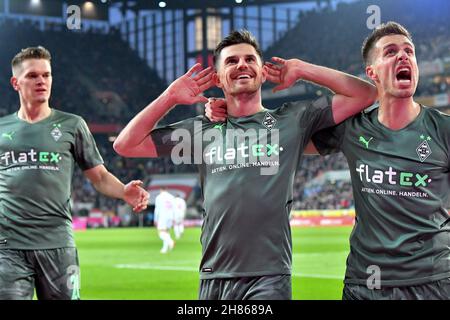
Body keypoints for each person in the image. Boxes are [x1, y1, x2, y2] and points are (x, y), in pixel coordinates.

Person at [113, 30, 377, 300]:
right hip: (213, 274)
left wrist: (301, 68)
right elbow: (126, 145)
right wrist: (169, 97)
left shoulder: (293, 120)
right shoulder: (200, 131)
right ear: (216, 79)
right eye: (231, 61)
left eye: (250, 59)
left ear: (263, 73)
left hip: (269, 277)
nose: (242, 65)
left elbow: (366, 94)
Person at [310, 22, 450, 299]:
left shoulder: (444, 130)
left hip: (434, 283)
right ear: (371, 73)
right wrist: (302, 69)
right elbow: (284, 138)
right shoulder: (352, 129)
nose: (403, 56)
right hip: (364, 285)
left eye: (409, 51)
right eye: (390, 52)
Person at [0, 46, 149, 300]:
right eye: (33, 76)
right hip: (8, 247)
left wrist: (124, 191)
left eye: (46, 75)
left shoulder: (72, 125)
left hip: (58, 244)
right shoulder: (2, 128)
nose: (41, 81)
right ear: (16, 82)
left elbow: (99, 177)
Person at [154, 187, 176, 253]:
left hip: (163, 216)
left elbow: (157, 209)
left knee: (161, 233)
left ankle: (171, 242)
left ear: (161, 190)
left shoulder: (159, 197)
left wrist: (155, 218)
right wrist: (174, 217)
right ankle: (164, 249)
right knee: (166, 232)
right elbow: (174, 208)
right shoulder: (171, 197)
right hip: (171, 216)